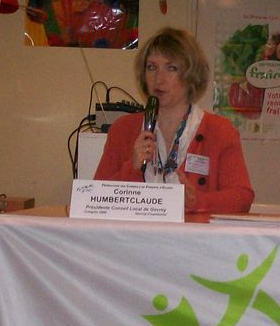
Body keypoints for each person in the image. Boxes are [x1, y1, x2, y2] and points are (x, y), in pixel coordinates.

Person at [94, 26, 254, 214]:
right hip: (137, 239)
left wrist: (197, 201)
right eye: (152, 67)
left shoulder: (219, 130)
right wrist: (132, 168)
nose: (158, 79)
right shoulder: (123, 129)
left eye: (171, 68)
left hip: (194, 241)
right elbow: (96, 198)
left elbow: (242, 198)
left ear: (191, 76)